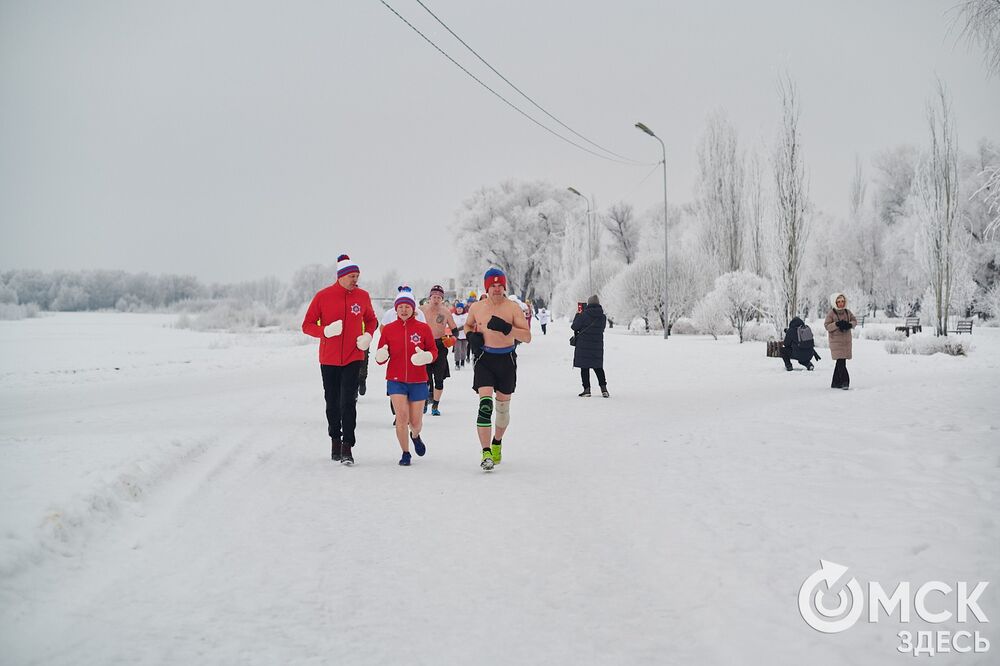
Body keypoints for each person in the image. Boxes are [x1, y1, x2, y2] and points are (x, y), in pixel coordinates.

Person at [302, 254, 378, 465]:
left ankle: (348, 445)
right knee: (332, 402)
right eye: (352, 276)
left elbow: (371, 319)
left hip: (354, 356)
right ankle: (335, 438)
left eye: (357, 276)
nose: (356, 279)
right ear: (342, 276)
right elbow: (307, 325)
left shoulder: (362, 296)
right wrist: (325, 331)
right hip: (329, 358)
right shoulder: (323, 296)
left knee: (348, 402)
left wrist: (368, 336)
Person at [464, 267, 532, 470]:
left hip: (506, 359)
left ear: (504, 287)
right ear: (487, 287)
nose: (496, 289)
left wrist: (506, 328)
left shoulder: (512, 308)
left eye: (500, 285)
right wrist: (470, 337)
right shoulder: (477, 308)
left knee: (502, 412)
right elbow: (468, 325)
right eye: (492, 285)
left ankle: (497, 442)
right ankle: (485, 452)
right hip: (485, 358)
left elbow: (527, 337)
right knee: (485, 406)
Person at [374, 286, 437, 466]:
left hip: (418, 380)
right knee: (402, 417)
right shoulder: (388, 330)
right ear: (396, 309)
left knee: (415, 422)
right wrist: (381, 356)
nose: (403, 310)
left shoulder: (423, 329)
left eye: (407, 307)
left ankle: (415, 436)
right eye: (400, 307)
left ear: (413, 309)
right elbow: (381, 354)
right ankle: (405, 452)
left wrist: (427, 356)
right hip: (395, 380)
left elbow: (433, 350)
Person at [419, 285, 457, 416]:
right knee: (425, 378)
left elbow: (455, 330)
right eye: (434, 297)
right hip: (424, 347)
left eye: (439, 298)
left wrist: (453, 339)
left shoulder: (446, 312)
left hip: (440, 345)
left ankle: (435, 405)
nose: (436, 300)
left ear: (442, 299)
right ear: (429, 298)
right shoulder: (421, 310)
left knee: (439, 378)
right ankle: (424, 402)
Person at [572, 295, 609, 397]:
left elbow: (574, 326)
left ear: (588, 304)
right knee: (598, 367)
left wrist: (578, 314)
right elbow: (602, 329)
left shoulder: (584, 315)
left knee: (585, 367)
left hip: (584, 345)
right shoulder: (603, 317)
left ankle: (587, 390)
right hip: (597, 346)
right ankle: (604, 389)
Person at [824, 292, 858, 390]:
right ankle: (845, 381)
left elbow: (854, 321)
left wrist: (849, 325)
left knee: (841, 361)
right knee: (841, 361)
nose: (841, 303)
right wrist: (837, 324)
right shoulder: (831, 313)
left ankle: (835, 383)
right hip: (836, 342)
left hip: (846, 342)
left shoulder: (848, 312)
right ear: (835, 303)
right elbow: (827, 326)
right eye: (838, 302)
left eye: (843, 301)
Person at [452, 301, 469, 369]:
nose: (459, 309)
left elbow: (468, 324)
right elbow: (451, 324)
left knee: (464, 349)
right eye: (458, 308)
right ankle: (457, 363)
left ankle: (462, 362)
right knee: (457, 349)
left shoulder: (467, 315)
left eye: (460, 308)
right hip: (457, 336)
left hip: (465, 335)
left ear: (463, 309)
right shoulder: (453, 315)